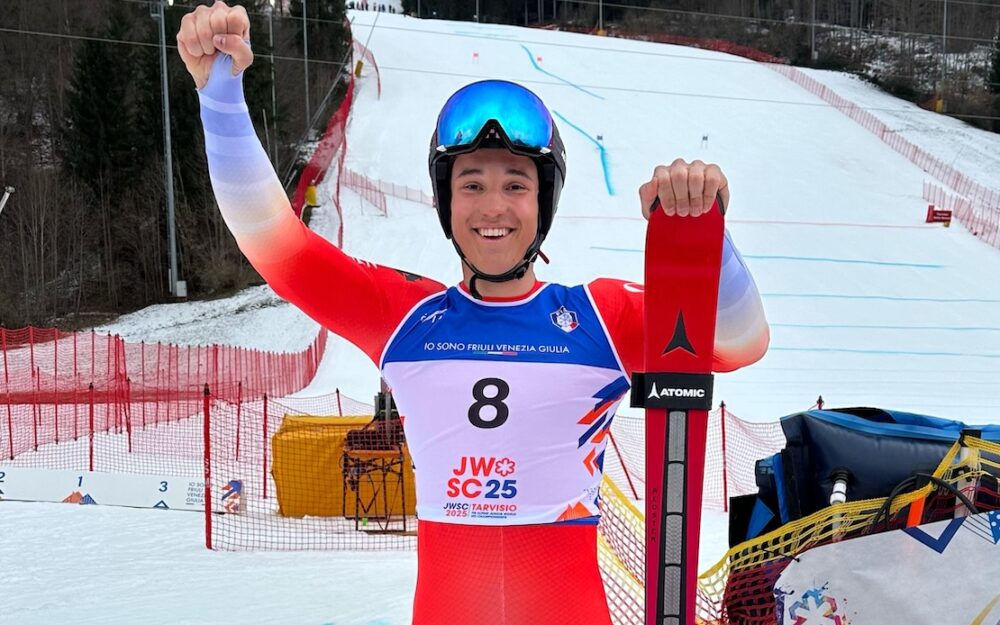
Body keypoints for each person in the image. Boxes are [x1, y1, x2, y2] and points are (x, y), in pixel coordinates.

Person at [178, 3, 770, 623]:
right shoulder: (405, 316)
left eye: (516, 184)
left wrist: (705, 238)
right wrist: (220, 91)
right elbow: (271, 241)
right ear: (445, 202)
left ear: (544, 202)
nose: (495, 206)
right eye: (472, 184)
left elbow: (740, 342)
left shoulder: (601, 317)